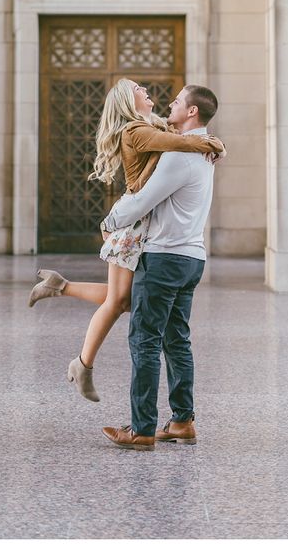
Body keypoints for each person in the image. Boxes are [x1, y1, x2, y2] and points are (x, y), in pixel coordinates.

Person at [28, 79, 224, 402]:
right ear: (129, 103)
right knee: (123, 301)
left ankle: (60, 287)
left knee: (129, 299)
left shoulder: (151, 125)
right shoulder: (135, 130)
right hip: (131, 222)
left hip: (138, 222)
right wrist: (212, 144)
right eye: (138, 90)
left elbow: (175, 136)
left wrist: (210, 142)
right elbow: (180, 144)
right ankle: (82, 364)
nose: (147, 91)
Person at [100, 84, 220, 451]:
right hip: (192, 257)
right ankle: (182, 421)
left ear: (192, 113)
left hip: (165, 257)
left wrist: (109, 220)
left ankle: (141, 430)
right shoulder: (204, 152)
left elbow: (141, 202)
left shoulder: (178, 156)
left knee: (145, 341)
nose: (171, 103)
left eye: (178, 102)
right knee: (176, 341)